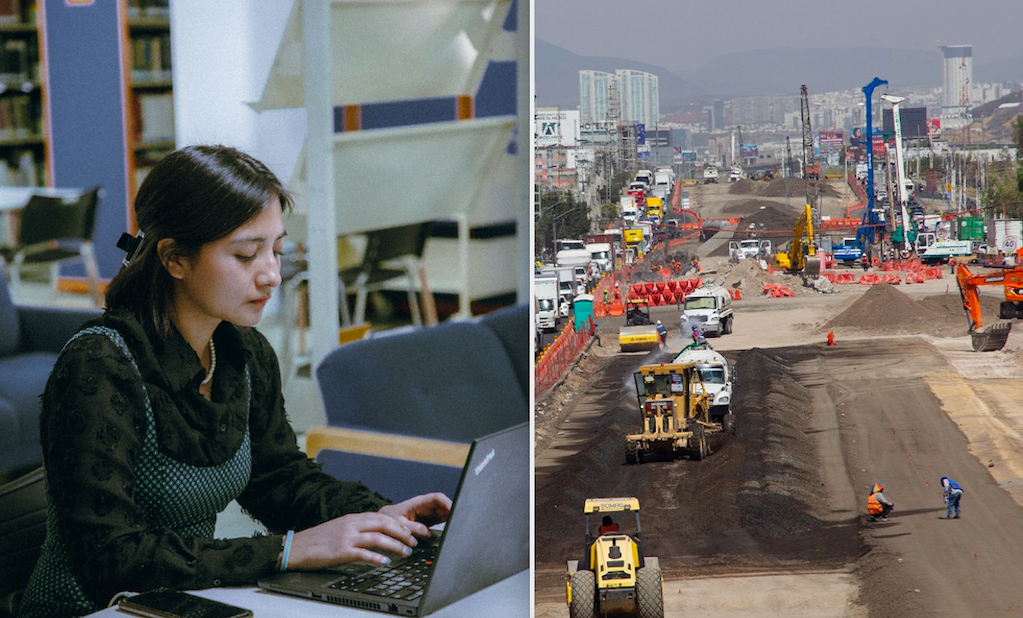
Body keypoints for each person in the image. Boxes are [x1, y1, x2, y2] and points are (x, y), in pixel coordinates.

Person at [18, 145, 451, 618]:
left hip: (181, 606)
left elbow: (278, 477)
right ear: (174, 259)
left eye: (277, 249)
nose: (271, 275)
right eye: (246, 255)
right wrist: (288, 551)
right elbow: (108, 556)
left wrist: (376, 517)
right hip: (87, 611)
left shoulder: (243, 350)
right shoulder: (101, 364)